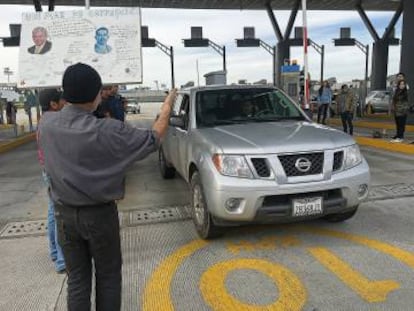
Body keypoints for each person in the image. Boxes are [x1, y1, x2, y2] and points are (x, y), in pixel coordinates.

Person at [38, 62, 176, 311]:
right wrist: (167, 106)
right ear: (96, 95)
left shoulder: (46, 124)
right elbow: (153, 138)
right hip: (99, 216)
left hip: (64, 215)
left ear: (65, 94)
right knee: (108, 276)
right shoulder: (109, 130)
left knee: (77, 280)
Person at [37, 89, 66, 273]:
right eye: (62, 100)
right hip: (54, 172)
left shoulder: (43, 122)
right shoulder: (53, 122)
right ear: (54, 104)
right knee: (60, 215)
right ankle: (62, 260)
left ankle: (55, 252)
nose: (65, 102)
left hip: (47, 170)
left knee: (52, 213)